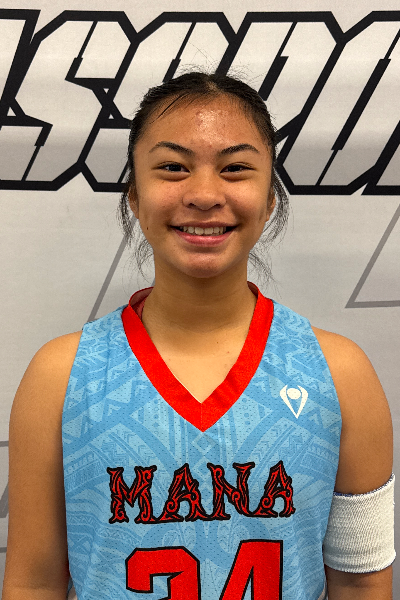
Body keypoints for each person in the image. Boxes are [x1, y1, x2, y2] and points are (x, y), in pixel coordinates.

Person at [2, 71, 395, 600]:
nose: (205, 195)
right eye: (172, 167)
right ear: (134, 195)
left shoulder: (341, 373)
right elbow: (35, 582)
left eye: (235, 168)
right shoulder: (60, 376)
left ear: (270, 198)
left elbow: (361, 580)